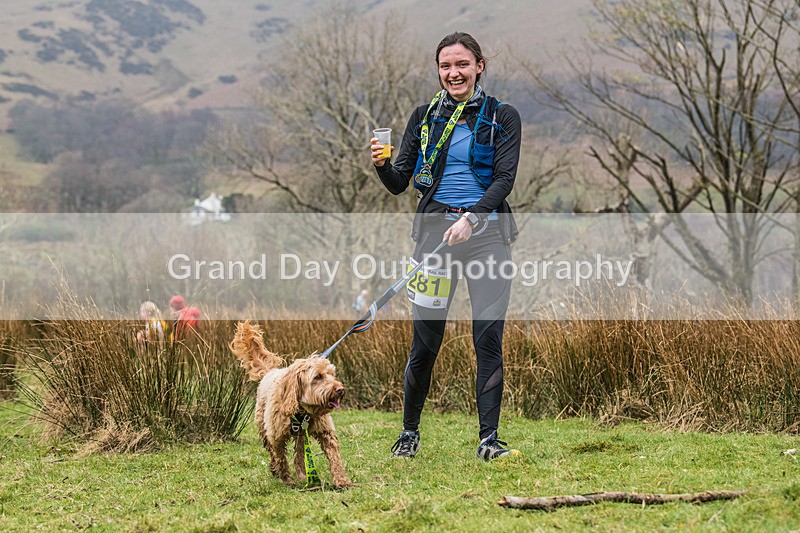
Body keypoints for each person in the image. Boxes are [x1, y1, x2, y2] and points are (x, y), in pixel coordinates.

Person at [370, 32, 522, 461]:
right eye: (445, 66)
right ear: (439, 71)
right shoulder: (424, 117)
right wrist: (383, 165)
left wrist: (473, 218)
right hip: (435, 236)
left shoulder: (503, 116)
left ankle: (489, 441)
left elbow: (503, 180)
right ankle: (409, 434)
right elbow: (402, 183)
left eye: (461, 64)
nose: (453, 73)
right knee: (425, 341)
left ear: (478, 67)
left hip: (487, 237)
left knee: (487, 339)